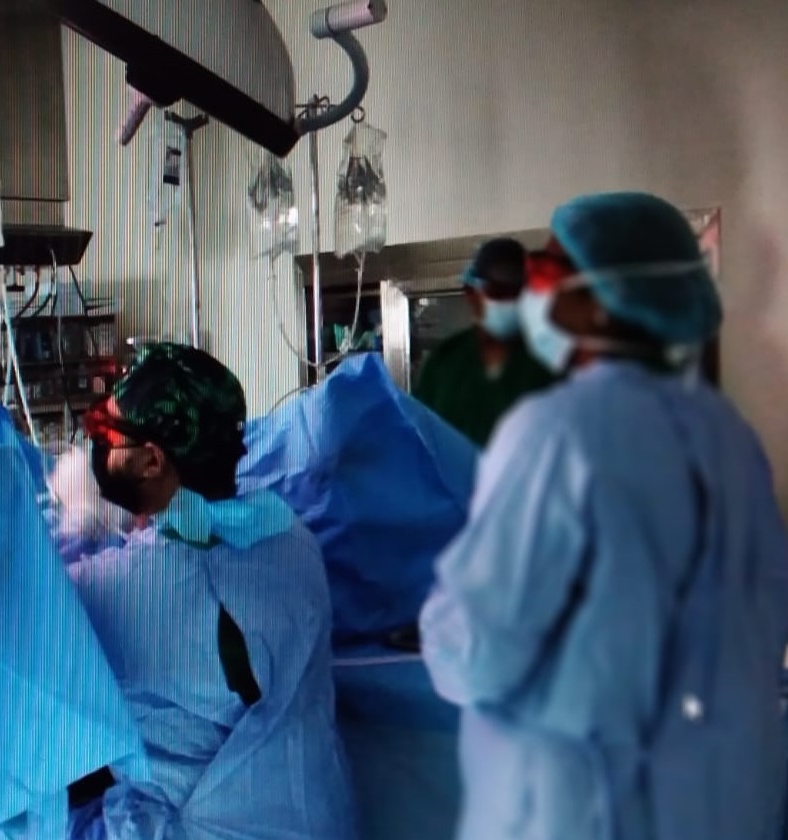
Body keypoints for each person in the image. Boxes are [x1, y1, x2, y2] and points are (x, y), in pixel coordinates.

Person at [419, 192, 788, 840]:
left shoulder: (561, 432)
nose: (532, 291)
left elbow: (478, 651)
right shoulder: (730, 437)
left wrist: (434, 624)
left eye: (547, 270)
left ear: (602, 299)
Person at [57, 343, 358, 840]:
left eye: (106, 435)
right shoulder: (290, 537)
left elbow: (30, 612)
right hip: (316, 814)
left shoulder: (131, 587)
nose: (97, 448)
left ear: (151, 461)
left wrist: (70, 526)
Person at [413, 237, 557, 446]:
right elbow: (419, 433)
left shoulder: (548, 358)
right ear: (472, 293)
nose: (510, 302)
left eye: (517, 292)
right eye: (498, 292)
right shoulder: (444, 363)